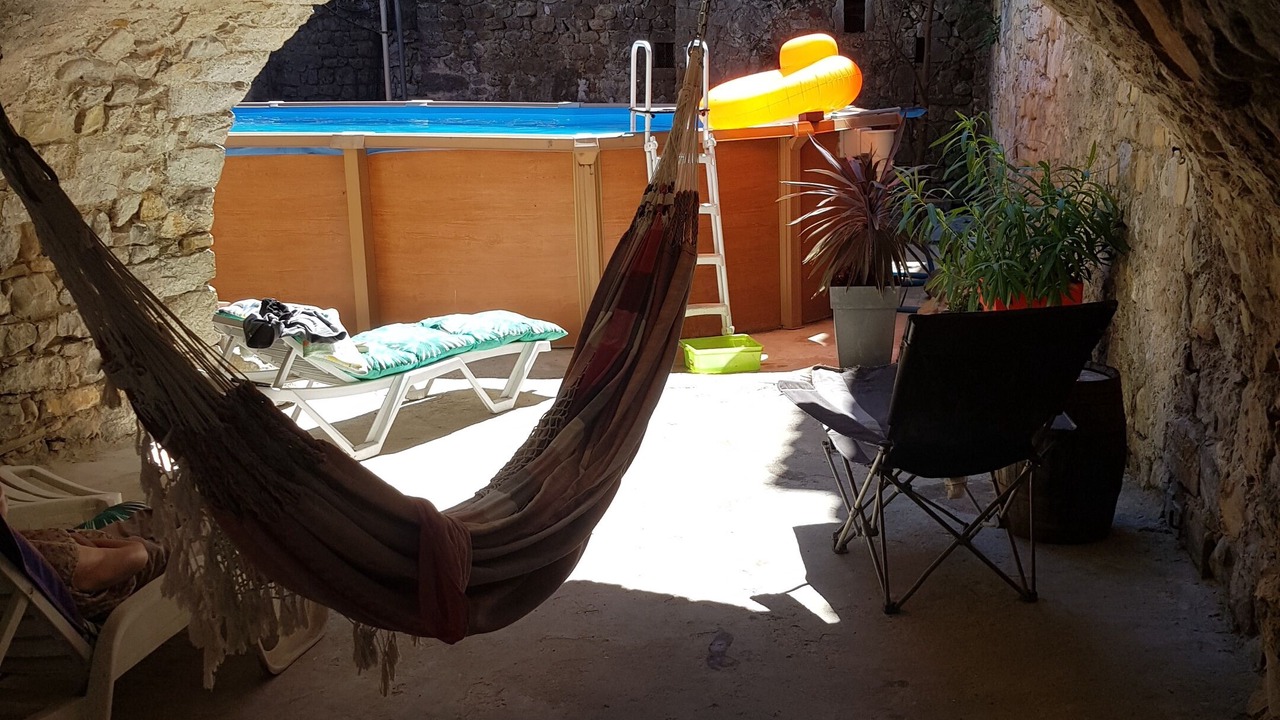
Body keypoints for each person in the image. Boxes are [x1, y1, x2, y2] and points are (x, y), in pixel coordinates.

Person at [0, 484, 167, 621]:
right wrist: (86, 540)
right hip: (133, 572)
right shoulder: (55, 556)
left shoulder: (11, 548)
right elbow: (137, 555)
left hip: (91, 551)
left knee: (157, 515)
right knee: (184, 539)